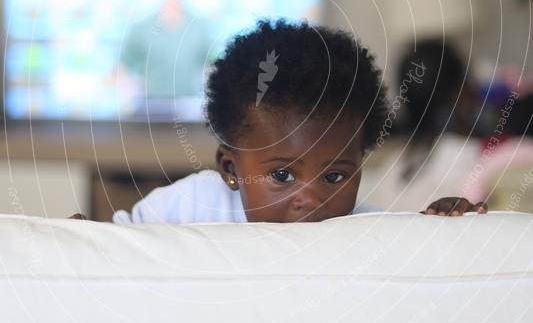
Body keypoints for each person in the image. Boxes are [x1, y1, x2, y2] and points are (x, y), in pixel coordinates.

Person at [107, 19, 487, 225]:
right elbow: (114, 246)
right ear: (230, 168)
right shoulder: (191, 204)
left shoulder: (357, 226)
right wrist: (78, 234)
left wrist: (443, 219)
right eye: (283, 176)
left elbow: (404, 253)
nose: (312, 199)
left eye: (335, 177)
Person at [118, 0, 212, 105]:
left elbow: (213, 66)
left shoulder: (200, 27)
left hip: (188, 109)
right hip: (150, 110)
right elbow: (122, 67)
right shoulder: (142, 27)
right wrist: (129, 93)